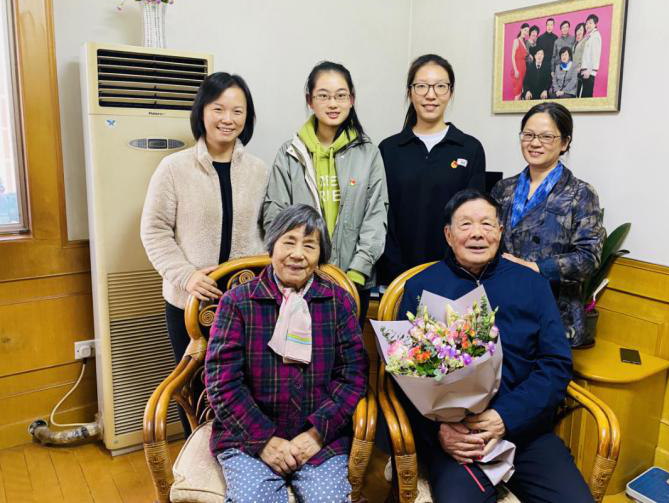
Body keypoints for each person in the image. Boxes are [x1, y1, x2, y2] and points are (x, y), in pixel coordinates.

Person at [398, 189, 593, 503]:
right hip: (457, 438)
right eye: (466, 224)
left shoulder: (532, 284)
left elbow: (555, 364)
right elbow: (403, 375)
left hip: (524, 430)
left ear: (500, 232)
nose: (478, 233)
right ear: (448, 234)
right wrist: (439, 432)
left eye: (487, 224)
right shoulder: (422, 287)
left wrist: (506, 417)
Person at [206, 204, 367, 503]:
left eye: (309, 246)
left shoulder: (338, 302)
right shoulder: (237, 302)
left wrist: (316, 434)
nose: (297, 254)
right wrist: (263, 440)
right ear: (272, 245)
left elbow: (353, 377)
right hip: (247, 440)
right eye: (288, 242)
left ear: (321, 255)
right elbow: (222, 383)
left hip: (319, 442)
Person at [141, 72, 268, 436]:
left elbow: (269, 231)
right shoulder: (174, 168)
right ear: (202, 111)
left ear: (247, 117)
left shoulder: (259, 170)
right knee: (195, 390)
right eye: (218, 108)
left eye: (238, 111)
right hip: (190, 303)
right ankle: (196, 455)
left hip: (246, 304)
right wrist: (188, 276)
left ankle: (240, 456)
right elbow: (154, 230)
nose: (228, 119)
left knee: (245, 387)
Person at [262, 61, 387, 321]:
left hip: (354, 281)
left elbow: (376, 216)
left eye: (341, 96)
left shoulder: (369, 154)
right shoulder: (290, 153)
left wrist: (356, 273)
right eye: (323, 96)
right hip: (298, 277)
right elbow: (275, 216)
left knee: (347, 346)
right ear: (310, 100)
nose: (333, 104)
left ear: (351, 99)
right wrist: (297, 264)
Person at [491, 102, 604, 347]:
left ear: (564, 143)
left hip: (554, 314)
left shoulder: (580, 193)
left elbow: (588, 258)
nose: (534, 143)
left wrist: (535, 267)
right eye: (528, 135)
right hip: (505, 308)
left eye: (546, 136)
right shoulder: (503, 189)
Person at [377, 54, 486, 285]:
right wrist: (397, 272)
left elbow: (472, 217)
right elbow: (382, 216)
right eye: (422, 86)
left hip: (455, 275)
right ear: (410, 92)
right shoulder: (389, 149)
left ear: (451, 92)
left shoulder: (470, 148)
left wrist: (455, 269)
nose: (431, 94)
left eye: (440, 86)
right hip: (396, 276)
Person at [579, 14, 602, 98]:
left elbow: (595, 55)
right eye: (587, 23)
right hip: (584, 71)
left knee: (586, 97)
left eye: (590, 23)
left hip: (589, 72)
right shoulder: (589, 36)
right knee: (583, 96)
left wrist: (589, 70)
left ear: (595, 24)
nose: (588, 25)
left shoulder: (595, 36)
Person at [510, 23, 529, 100]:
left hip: (523, 68)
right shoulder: (516, 41)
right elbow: (512, 56)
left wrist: (530, 55)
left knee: (521, 92)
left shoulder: (524, 42)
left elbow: (525, 55)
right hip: (518, 68)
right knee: (517, 93)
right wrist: (515, 70)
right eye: (525, 30)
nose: (526, 32)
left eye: (527, 31)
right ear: (521, 29)